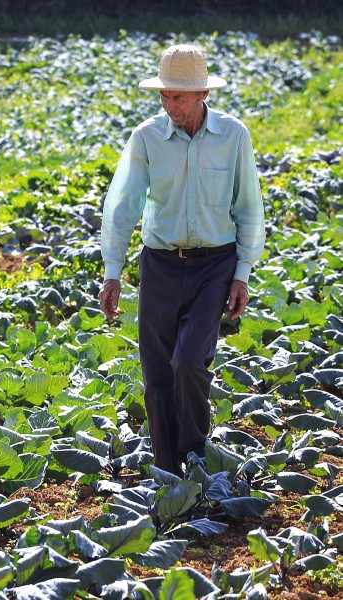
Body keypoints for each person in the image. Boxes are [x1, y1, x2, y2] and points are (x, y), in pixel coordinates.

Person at [98, 44, 266, 476]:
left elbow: (248, 207)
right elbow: (122, 207)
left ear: (202, 95)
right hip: (160, 264)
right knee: (156, 374)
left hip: (215, 266)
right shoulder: (147, 137)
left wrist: (241, 275)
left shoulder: (233, 137)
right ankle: (166, 467)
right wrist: (112, 273)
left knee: (189, 362)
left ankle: (193, 452)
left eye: (178, 96)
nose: (169, 104)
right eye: (164, 95)